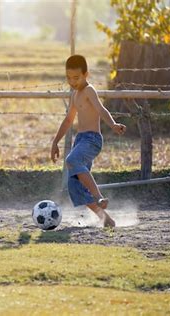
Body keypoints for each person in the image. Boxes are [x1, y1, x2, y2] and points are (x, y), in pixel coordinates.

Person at [50, 55, 126, 228]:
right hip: (80, 141)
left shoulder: (89, 90)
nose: (72, 81)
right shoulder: (75, 95)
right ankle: (106, 220)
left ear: (86, 75)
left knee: (71, 160)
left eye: (76, 78)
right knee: (74, 185)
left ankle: (99, 196)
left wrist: (113, 124)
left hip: (92, 140)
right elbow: (69, 120)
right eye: (68, 78)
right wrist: (55, 142)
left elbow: (101, 109)